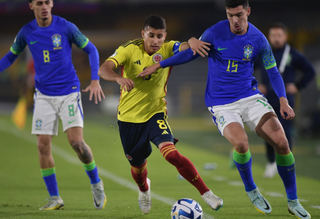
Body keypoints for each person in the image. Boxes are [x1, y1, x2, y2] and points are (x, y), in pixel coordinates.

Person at [138, 1, 311, 218]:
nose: (235, 20)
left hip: (250, 96)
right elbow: (190, 53)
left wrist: (283, 100)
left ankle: (293, 201)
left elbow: (273, 71)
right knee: (241, 143)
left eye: (239, 14)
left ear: (248, 11)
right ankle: (252, 190)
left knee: (283, 142)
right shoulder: (213, 33)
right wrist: (159, 65)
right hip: (221, 103)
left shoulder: (258, 39)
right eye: (230, 15)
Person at [98, 15, 223, 214]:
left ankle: (207, 193)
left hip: (156, 113)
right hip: (128, 120)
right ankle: (144, 189)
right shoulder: (128, 49)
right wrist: (118, 79)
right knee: (138, 169)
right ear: (143, 34)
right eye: (151, 35)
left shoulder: (168, 48)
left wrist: (190, 40)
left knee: (171, 154)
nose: (155, 41)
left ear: (164, 36)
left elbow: (184, 48)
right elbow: (103, 69)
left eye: (159, 36)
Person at [0, 0, 106, 210]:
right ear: (31, 6)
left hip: (68, 92)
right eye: (39, 3)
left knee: (77, 143)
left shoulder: (66, 27)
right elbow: (11, 57)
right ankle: (55, 197)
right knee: (42, 146)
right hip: (43, 96)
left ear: (52, 4)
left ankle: (96, 183)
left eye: (47, 2)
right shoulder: (26, 32)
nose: (44, 6)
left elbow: (92, 49)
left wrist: (95, 79)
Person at [256, 22, 315, 178]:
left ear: (285, 37)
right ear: (269, 37)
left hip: (286, 101)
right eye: (273, 35)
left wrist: (298, 86)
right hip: (266, 100)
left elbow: (310, 71)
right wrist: (255, 85)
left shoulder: (293, 54)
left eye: (279, 35)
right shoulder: (263, 52)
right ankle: (271, 163)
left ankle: (287, 164)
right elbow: (246, 68)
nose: (276, 38)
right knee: (267, 133)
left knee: (285, 132)